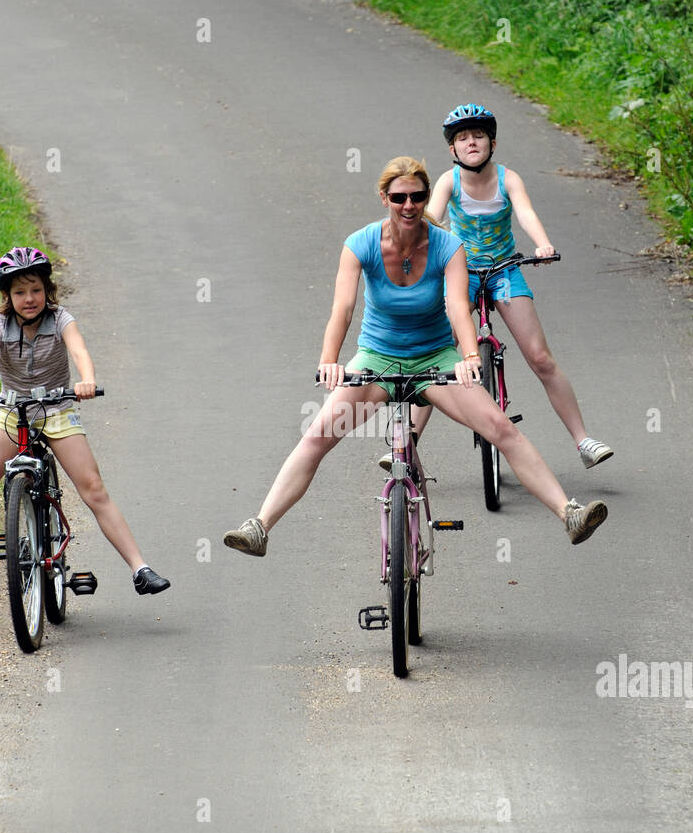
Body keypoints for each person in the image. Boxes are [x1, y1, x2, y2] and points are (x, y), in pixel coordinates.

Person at [223, 157, 607, 557]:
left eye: (418, 197)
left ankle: (570, 514)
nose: (409, 205)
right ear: (384, 198)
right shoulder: (361, 244)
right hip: (377, 359)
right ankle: (260, 526)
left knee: (501, 429)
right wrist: (329, 360)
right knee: (317, 436)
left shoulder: (447, 245)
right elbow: (343, 309)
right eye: (399, 197)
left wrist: (470, 355)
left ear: (426, 198)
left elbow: (458, 307)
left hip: (434, 358)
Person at [0, 246, 170, 597]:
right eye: (20, 292)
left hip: (56, 411)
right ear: (7, 296)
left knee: (94, 489)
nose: (29, 299)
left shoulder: (60, 319)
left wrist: (85, 380)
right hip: (13, 413)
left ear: (47, 290)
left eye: (36, 290)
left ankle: (140, 569)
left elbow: (79, 351)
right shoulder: (0, 323)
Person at [406, 103, 612, 470]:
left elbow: (526, 213)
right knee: (439, 357)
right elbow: (434, 219)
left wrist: (543, 244)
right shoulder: (449, 181)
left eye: (479, 136)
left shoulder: (508, 178)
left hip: (504, 271)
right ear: (452, 149)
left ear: (492, 142)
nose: (471, 142)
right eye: (463, 138)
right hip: (461, 272)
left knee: (540, 357)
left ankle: (584, 441)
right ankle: (408, 445)